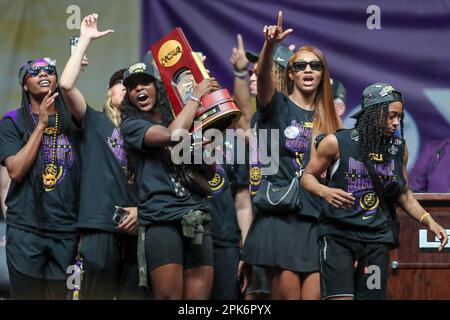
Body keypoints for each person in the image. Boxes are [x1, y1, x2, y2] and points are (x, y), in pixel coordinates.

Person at [301, 82, 448, 300]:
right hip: (338, 236)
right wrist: (325, 192)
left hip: (376, 241)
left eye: (399, 117)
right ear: (373, 112)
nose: (396, 122)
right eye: (391, 116)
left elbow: (403, 193)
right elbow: (307, 177)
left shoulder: (399, 149)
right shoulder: (337, 142)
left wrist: (429, 221)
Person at [241, 11, 341, 300]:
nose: (308, 70)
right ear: (291, 73)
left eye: (315, 65)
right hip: (283, 218)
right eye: (301, 65)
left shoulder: (332, 121)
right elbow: (261, 76)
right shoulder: (277, 106)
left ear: (323, 73)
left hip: (317, 220)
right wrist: (270, 45)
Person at [59, 13, 144, 299]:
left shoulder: (146, 134)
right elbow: (67, 85)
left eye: (130, 84)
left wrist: (142, 213)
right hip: (98, 229)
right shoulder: (94, 122)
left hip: (136, 231)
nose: (125, 86)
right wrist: (84, 39)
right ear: (108, 92)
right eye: (120, 82)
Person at [120, 61, 219, 299]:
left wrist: (202, 147)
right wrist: (195, 97)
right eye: (133, 87)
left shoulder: (180, 117)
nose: (139, 89)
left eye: (145, 82)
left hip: (194, 215)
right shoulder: (132, 125)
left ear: (158, 86)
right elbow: (173, 135)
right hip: (160, 219)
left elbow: (210, 171)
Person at [0, 57, 80, 299]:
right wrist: (41, 125)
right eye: (34, 72)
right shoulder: (12, 121)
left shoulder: (74, 123)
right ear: (25, 85)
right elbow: (15, 170)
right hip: (26, 230)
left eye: (49, 70)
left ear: (56, 80)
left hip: (66, 232)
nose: (43, 73)